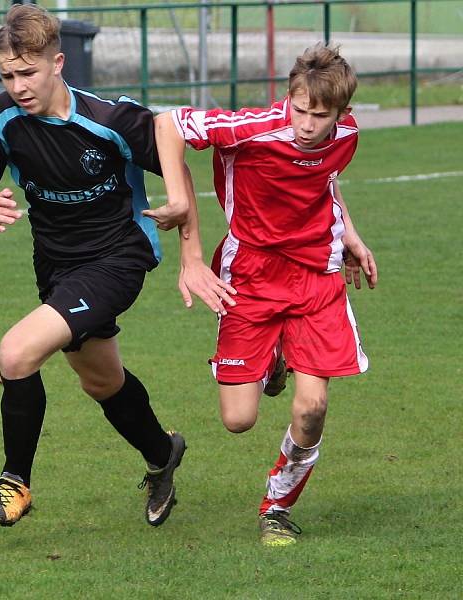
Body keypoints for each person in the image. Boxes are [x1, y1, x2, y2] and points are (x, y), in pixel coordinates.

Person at [0, 4, 185, 528]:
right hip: (57, 265)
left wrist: (182, 220)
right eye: (7, 75)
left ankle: (14, 483)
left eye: (27, 72)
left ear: (58, 63)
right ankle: (161, 453)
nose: (17, 86)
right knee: (101, 381)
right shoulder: (2, 118)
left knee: (16, 354)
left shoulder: (109, 120)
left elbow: (173, 143)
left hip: (119, 257)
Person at [147, 44, 378, 546]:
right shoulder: (253, 127)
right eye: (300, 110)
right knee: (238, 419)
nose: (307, 124)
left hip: (317, 274)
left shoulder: (348, 135)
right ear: (288, 96)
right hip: (250, 274)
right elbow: (167, 123)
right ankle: (276, 356)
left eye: (321, 115)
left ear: (342, 113)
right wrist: (181, 201)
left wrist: (350, 235)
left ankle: (277, 505)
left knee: (311, 408)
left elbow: (325, 181)